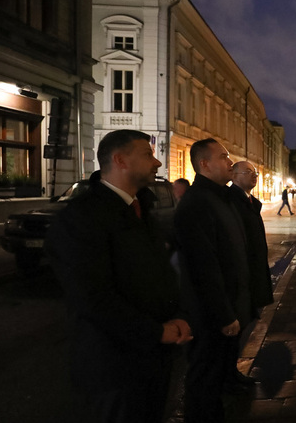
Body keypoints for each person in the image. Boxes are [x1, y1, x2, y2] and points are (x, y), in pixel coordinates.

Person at [45, 129, 192, 423]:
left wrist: (177, 316)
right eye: (148, 155)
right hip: (114, 366)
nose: (157, 163)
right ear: (120, 160)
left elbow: (160, 274)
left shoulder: (140, 207)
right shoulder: (82, 217)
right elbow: (92, 298)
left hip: (153, 357)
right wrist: (154, 332)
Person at [174, 138, 254, 422]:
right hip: (210, 315)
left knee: (217, 375)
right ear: (205, 164)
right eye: (224, 157)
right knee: (204, 378)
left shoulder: (219, 196)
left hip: (229, 304)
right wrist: (223, 314)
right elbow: (203, 266)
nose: (230, 162)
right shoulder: (197, 203)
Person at [229, 160, 274, 317]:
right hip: (244, 275)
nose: (254, 175)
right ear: (233, 176)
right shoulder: (232, 201)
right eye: (248, 172)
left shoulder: (249, 201)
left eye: (255, 172)